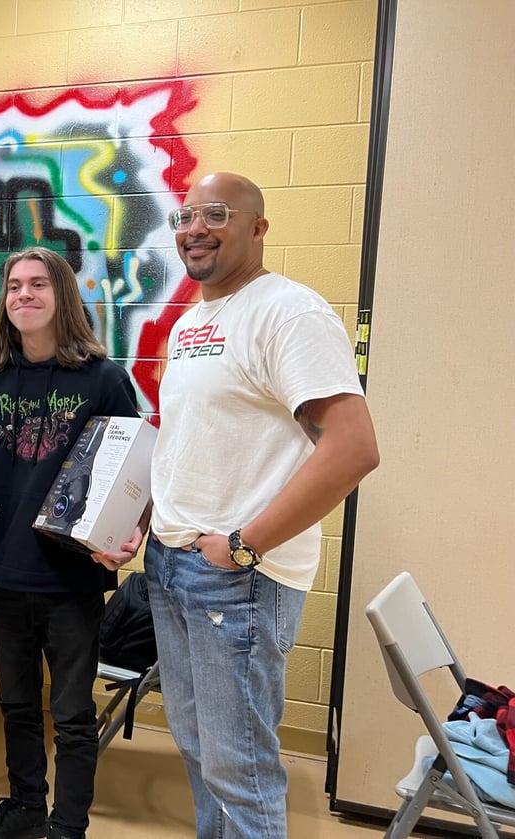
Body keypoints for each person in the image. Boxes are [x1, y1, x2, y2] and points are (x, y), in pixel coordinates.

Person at [145, 172, 380, 838]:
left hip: (237, 576)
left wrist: (245, 543)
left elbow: (352, 448)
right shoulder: (193, 322)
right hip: (173, 562)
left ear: (258, 227)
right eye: (185, 215)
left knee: (240, 771)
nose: (194, 227)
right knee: (199, 751)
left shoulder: (288, 311)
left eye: (215, 213)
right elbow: (194, 441)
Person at [0, 248, 141, 839]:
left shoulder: (102, 379)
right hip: (5, 571)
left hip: (72, 580)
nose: (24, 295)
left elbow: (136, 467)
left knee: (73, 715)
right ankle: (27, 806)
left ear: (62, 297)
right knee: (18, 702)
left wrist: (132, 534)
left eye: (38, 285)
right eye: (14, 287)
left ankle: (66, 827)